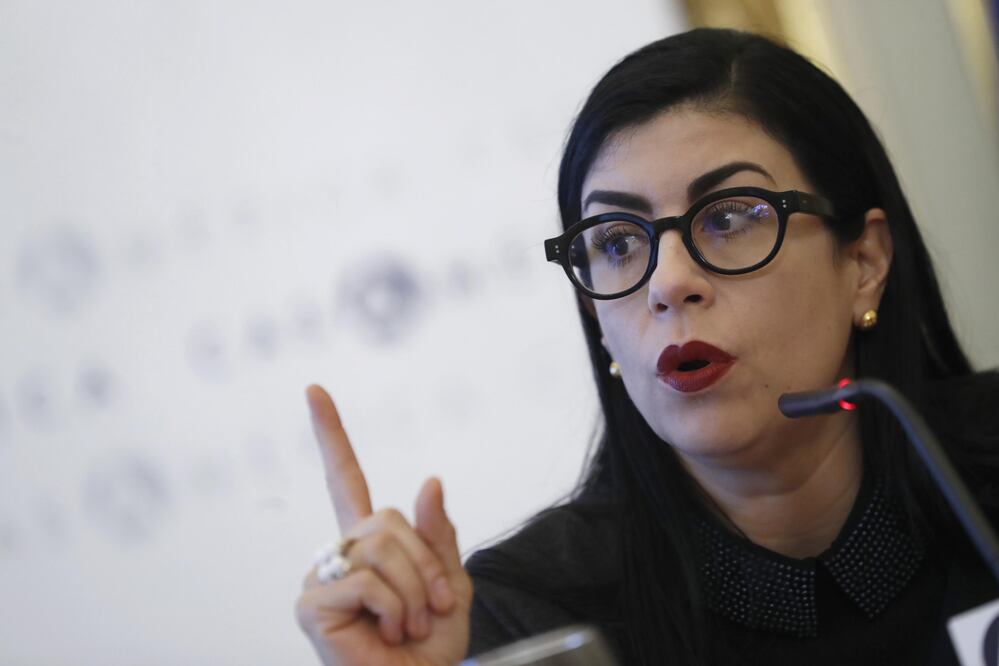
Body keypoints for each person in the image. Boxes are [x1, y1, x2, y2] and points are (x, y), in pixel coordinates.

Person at [294, 28, 999, 665]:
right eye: (617, 242)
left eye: (727, 218)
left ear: (864, 263)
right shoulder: (523, 622)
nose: (667, 283)